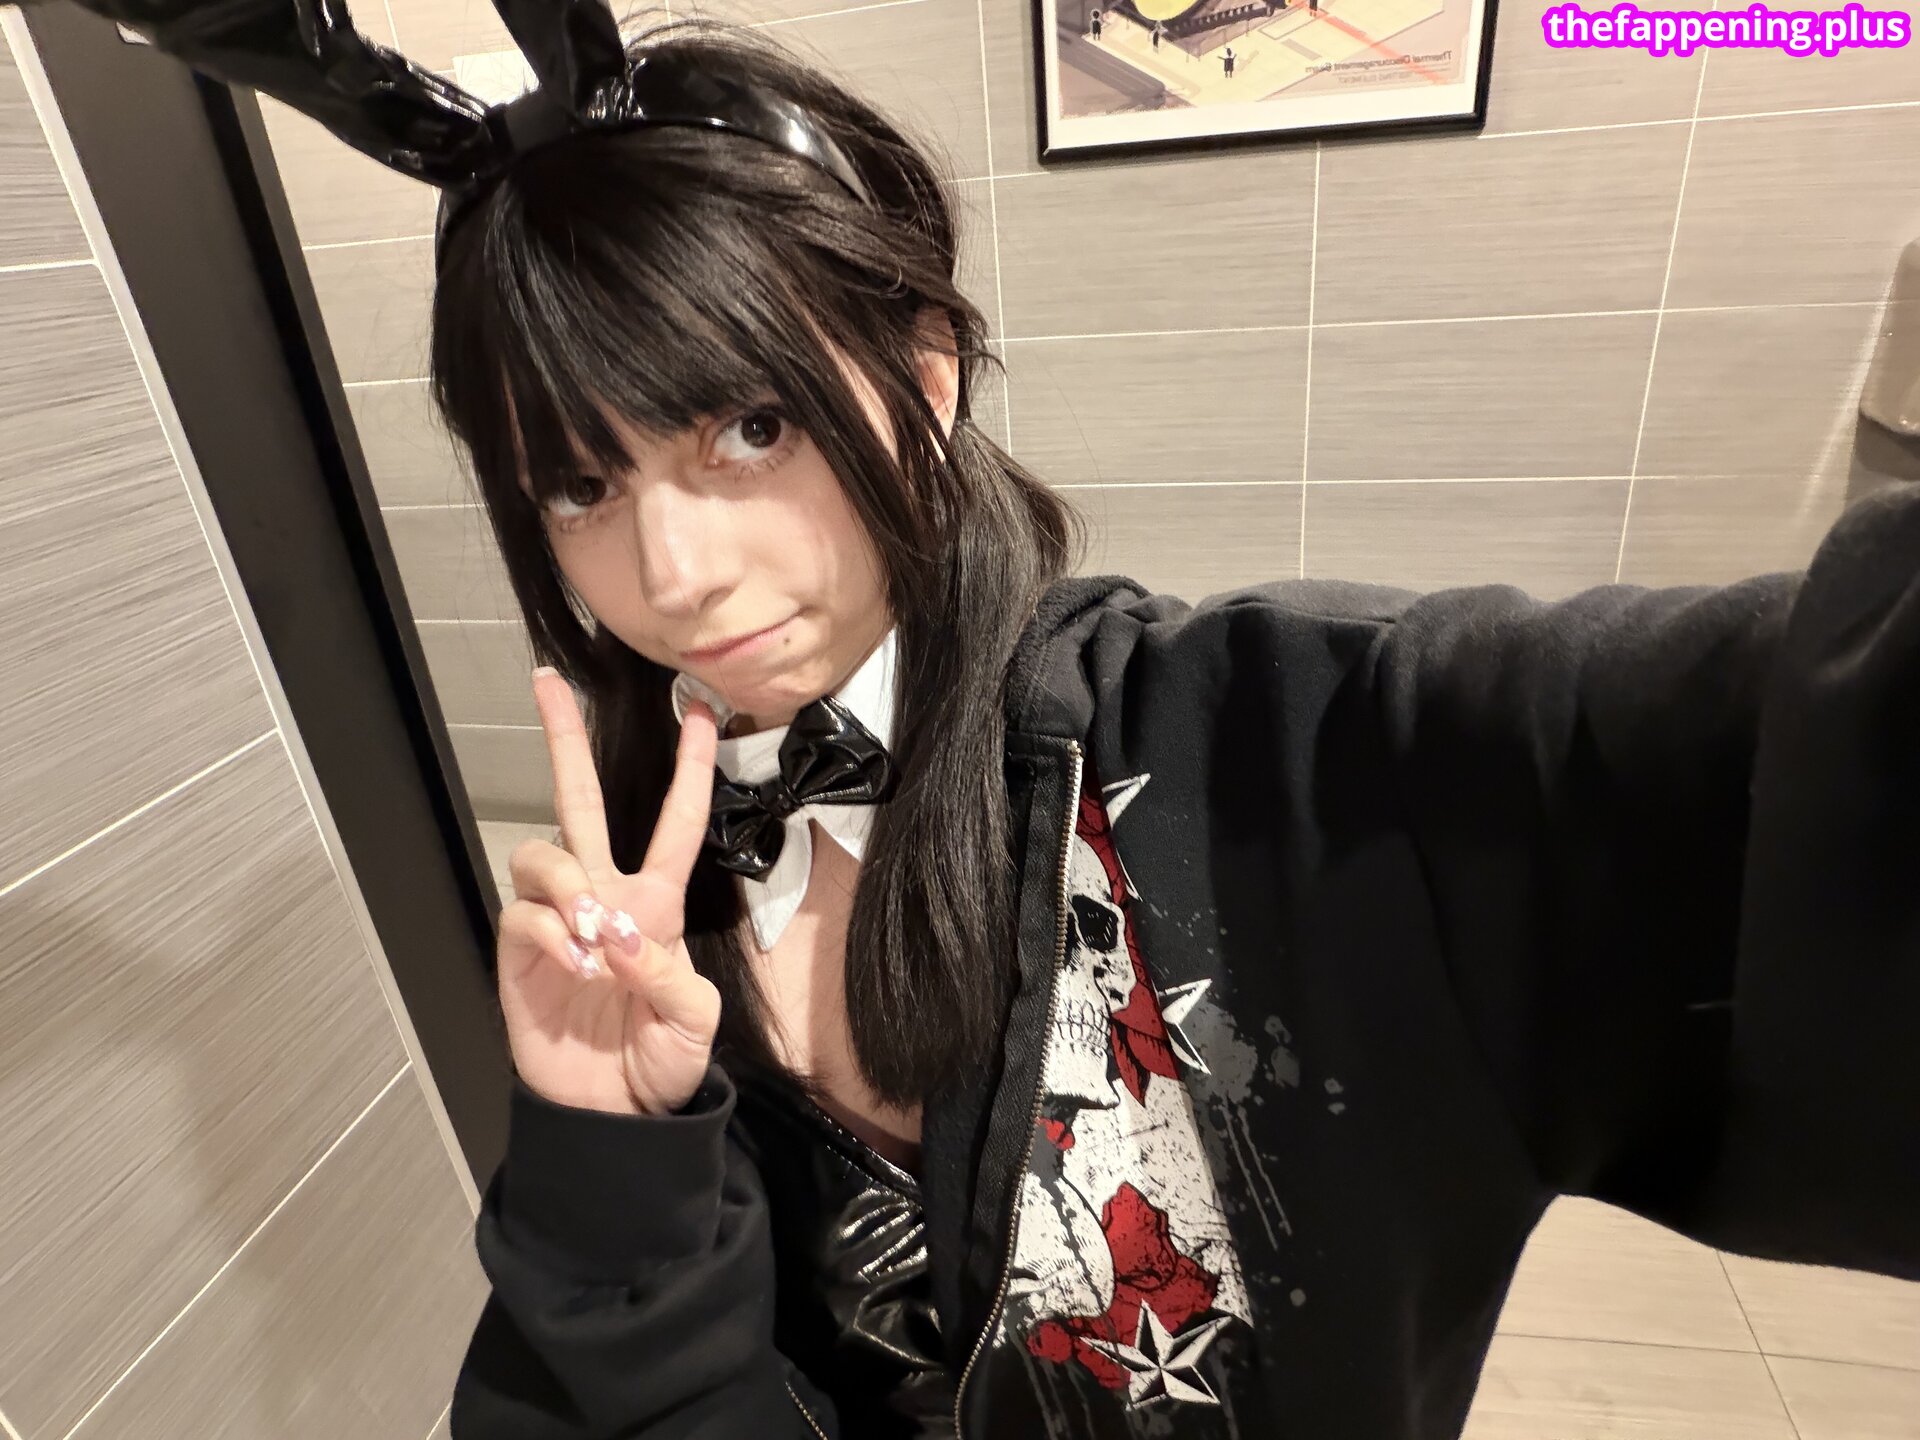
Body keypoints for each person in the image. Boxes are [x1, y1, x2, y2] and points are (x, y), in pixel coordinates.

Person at [39, 2, 1920, 1438]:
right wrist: (615, 1159)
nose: (669, 574)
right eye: (578, 484)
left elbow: (1777, 762)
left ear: (923, 372)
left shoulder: (1302, 757)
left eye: (747, 426)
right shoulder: (650, 893)